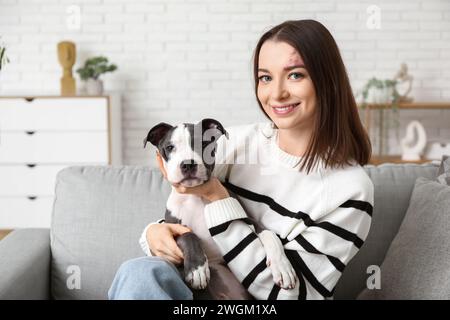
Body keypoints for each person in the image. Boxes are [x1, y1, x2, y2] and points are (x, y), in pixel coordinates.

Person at [108, 19, 374, 300]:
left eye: (295, 75)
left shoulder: (350, 190)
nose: (277, 93)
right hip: (198, 292)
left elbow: (291, 294)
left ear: (328, 81)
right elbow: (187, 214)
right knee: (138, 273)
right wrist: (154, 233)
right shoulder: (233, 143)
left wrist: (217, 196)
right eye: (265, 78)